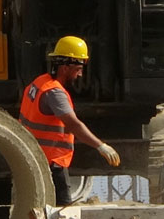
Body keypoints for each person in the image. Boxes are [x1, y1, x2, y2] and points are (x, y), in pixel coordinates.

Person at [19, 35, 120, 205]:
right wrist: (101, 146)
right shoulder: (55, 93)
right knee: (62, 212)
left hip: (35, 157)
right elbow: (74, 124)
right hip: (51, 162)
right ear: (65, 67)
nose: (81, 74)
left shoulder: (40, 82)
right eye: (78, 68)